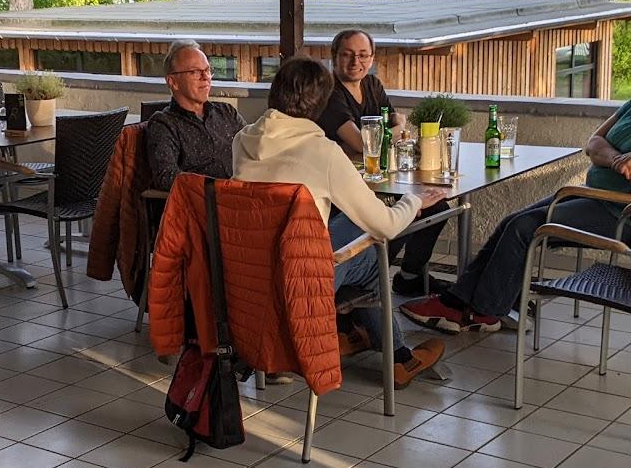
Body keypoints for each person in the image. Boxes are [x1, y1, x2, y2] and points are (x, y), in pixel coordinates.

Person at [234, 56, 446, 388]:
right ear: (322, 104)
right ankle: (398, 358)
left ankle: (348, 331)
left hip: (248, 274)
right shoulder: (324, 153)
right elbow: (387, 226)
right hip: (301, 280)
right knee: (373, 250)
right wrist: (414, 200)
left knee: (349, 225)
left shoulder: (243, 140)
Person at [402, 102, 631, 334]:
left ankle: (483, 310)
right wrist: (616, 159)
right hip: (593, 195)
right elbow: (593, 143)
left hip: (620, 212)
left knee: (522, 229)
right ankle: (464, 301)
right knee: (510, 222)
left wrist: (614, 159)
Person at [319, 27, 446, 297]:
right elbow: (363, 145)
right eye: (348, 55)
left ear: (372, 58)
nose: (356, 62)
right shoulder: (329, 93)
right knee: (400, 213)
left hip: (380, 179)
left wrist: (386, 133)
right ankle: (368, 278)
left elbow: (386, 130)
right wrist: (393, 130)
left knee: (436, 207)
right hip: (344, 189)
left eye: (363, 55)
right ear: (334, 56)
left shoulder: (372, 85)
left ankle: (409, 275)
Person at [146, 39, 244, 191]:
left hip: (243, 196)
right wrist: (216, 187)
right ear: (173, 82)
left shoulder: (227, 112)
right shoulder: (164, 124)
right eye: (195, 72)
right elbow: (165, 177)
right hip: (201, 206)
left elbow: (253, 147)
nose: (205, 77)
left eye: (207, 70)